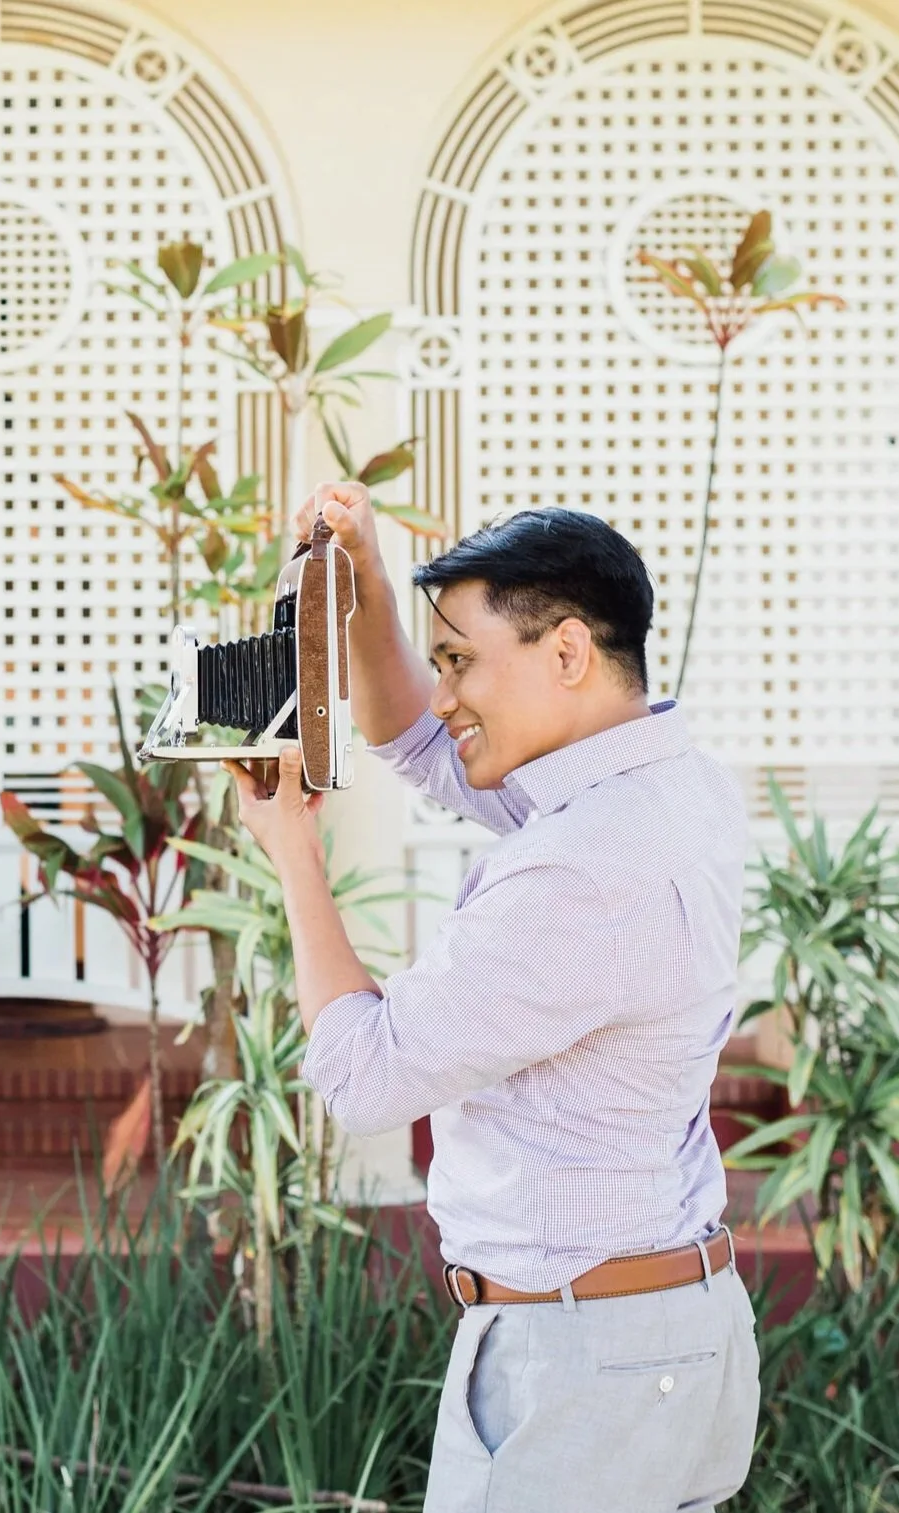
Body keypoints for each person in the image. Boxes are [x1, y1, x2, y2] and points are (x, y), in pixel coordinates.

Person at [227, 484, 760, 1511]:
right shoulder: (669, 784)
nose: (442, 696)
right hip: (664, 1335)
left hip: (579, 1365)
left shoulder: (579, 869)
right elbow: (418, 747)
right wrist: (369, 579)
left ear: (566, 652)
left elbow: (363, 1078)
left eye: (461, 662)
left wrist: (292, 850)